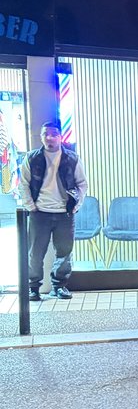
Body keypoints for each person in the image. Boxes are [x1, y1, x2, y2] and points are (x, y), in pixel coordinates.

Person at [19, 121, 88, 301]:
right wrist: (31, 206)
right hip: (39, 213)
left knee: (64, 252)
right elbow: (24, 184)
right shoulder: (32, 158)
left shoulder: (72, 158)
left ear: (60, 137)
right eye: (45, 134)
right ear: (41, 137)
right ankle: (33, 287)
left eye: (53, 134)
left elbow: (82, 184)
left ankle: (59, 286)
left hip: (64, 213)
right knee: (35, 253)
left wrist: (75, 206)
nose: (49, 138)